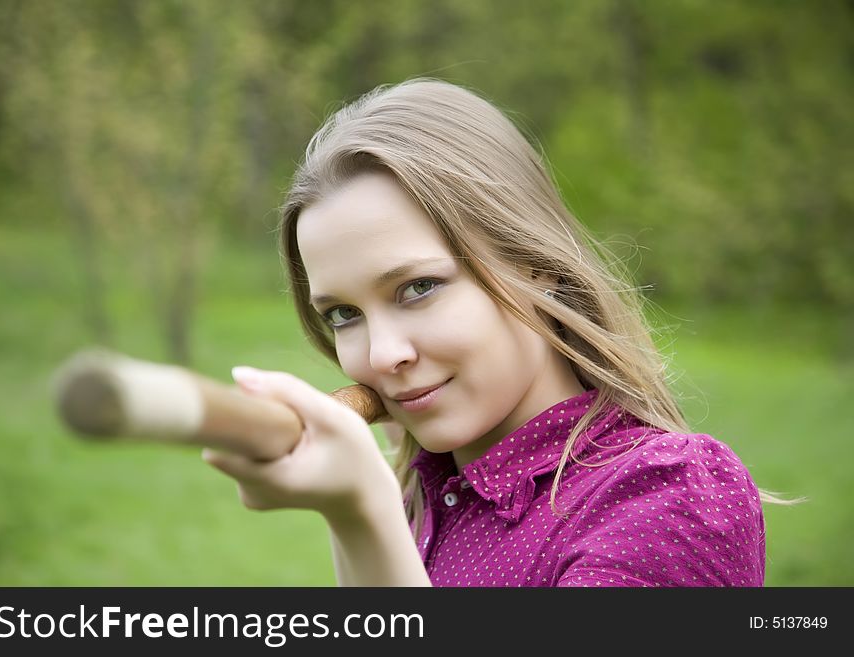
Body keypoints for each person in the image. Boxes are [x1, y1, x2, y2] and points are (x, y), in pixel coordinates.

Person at [203, 78, 796, 587]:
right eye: (343, 314)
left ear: (530, 262)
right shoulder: (427, 501)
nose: (382, 356)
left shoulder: (666, 495)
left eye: (418, 288)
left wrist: (360, 511)